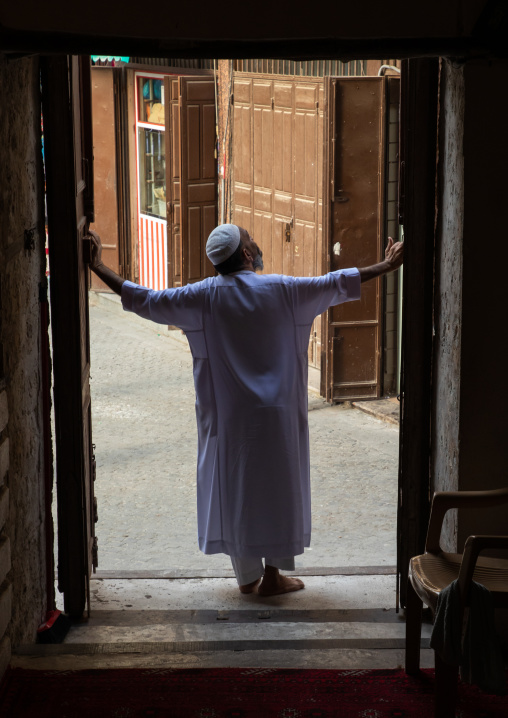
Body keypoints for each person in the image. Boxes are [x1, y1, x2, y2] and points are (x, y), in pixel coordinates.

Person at [87, 225, 403, 597]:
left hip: (229, 420)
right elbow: (337, 282)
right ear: (248, 255)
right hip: (278, 418)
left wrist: (97, 266)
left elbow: (144, 299)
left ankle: (247, 577)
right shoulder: (284, 290)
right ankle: (273, 575)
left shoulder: (201, 297)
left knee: (236, 490)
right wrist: (387, 264)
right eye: (251, 238)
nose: (255, 242)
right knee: (277, 490)